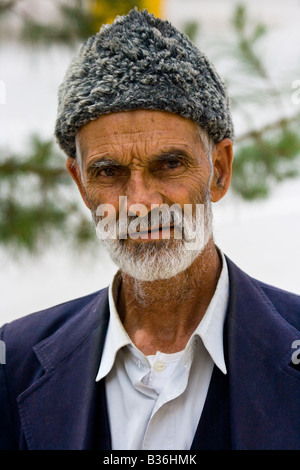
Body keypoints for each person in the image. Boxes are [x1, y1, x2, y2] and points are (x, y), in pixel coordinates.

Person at [0, 9, 299, 451]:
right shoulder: (14, 362)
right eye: (108, 171)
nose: (139, 202)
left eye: (170, 164)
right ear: (81, 185)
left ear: (219, 170)